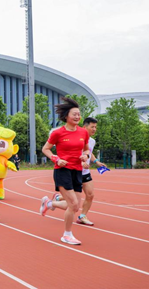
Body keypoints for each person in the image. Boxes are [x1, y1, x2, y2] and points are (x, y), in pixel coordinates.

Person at [40, 97, 90, 245]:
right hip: (62, 170)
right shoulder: (58, 133)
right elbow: (45, 149)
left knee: (74, 206)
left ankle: (49, 204)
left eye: (79, 114)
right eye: (74, 114)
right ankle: (67, 234)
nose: (77, 116)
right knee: (74, 205)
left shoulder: (83, 132)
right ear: (66, 116)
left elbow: (86, 149)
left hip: (77, 170)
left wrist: (85, 157)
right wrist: (56, 159)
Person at [54, 117, 107, 226]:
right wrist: (80, 163)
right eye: (92, 127)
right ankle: (54, 202)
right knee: (74, 202)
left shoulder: (92, 141)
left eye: (95, 127)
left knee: (90, 194)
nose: (94, 129)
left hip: (85, 173)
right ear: (84, 127)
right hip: (74, 171)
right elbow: (72, 154)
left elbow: (89, 152)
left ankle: (82, 216)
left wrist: (96, 161)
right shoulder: (76, 138)